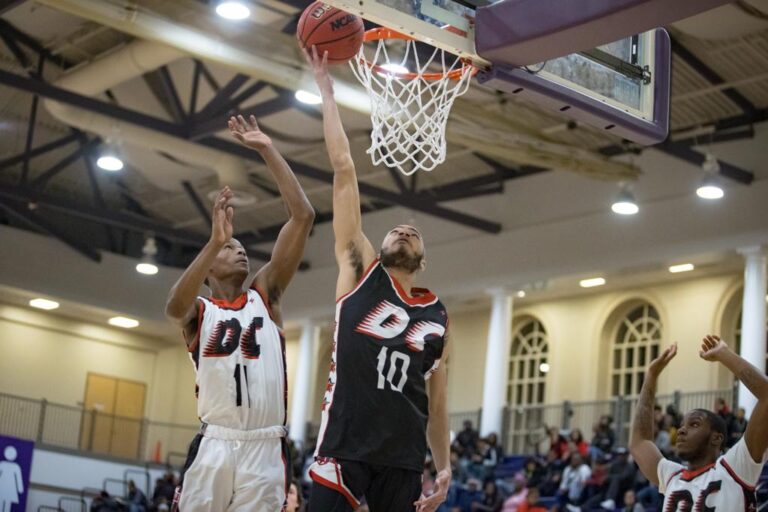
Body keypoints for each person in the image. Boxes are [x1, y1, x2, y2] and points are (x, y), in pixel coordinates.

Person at [304, 46, 451, 512]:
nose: (405, 230)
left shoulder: (437, 316)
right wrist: (328, 94)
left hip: (404, 459)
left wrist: (443, 467)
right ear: (379, 248)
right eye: (395, 230)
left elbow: (438, 405)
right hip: (345, 446)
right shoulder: (359, 272)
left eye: (414, 233)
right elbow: (344, 170)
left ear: (422, 260)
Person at [165, 114, 315, 511]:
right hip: (215, 440)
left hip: (266, 447)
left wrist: (268, 150)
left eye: (240, 247)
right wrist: (215, 242)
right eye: (231, 248)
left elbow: (303, 217)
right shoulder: (200, 310)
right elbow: (173, 307)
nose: (241, 249)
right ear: (210, 265)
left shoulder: (265, 297)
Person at [629, 335, 768, 510]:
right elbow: (639, 443)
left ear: (716, 438)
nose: (681, 431)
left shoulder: (735, 467)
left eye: (694, 424)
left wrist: (724, 354)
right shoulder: (672, 476)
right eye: (682, 425)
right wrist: (650, 376)